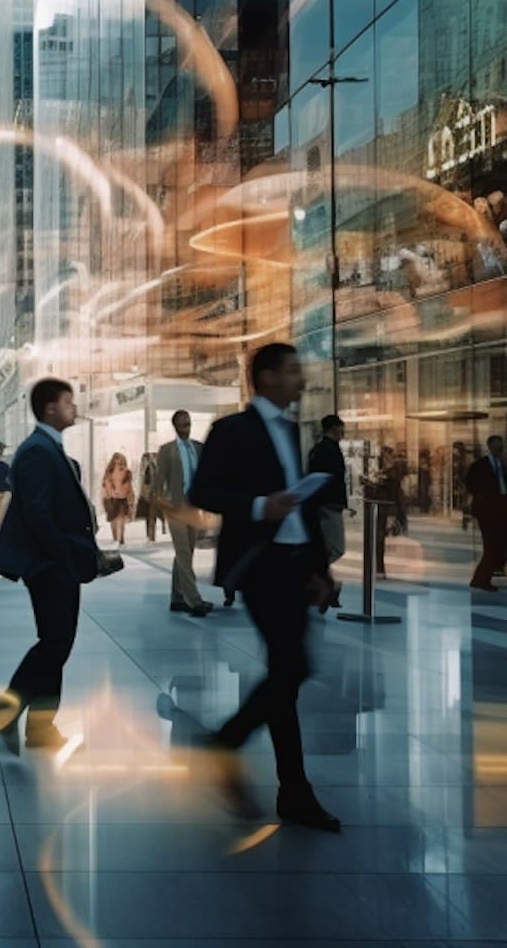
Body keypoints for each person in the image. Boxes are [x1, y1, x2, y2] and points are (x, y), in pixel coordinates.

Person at [187, 342, 341, 832]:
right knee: (293, 666)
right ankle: (225, 743)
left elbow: (303, 507)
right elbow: (204, 492)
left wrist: (320, 570)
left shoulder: (292, 431)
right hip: (260, 565)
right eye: (293, 371)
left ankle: (293, 791)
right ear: (269, 377)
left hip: (295, 565)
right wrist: (258, 505)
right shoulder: (231, 429)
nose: (301, 379)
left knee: (285, 679)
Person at [0, 378, 97, 753]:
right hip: (48, 565)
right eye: (67, 402)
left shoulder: (50, 448)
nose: (73, 408)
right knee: (54, 643)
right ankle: (3, 715)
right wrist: (65, 555)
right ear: (50, 409)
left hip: (58, 562)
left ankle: (39, 728)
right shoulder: (36, 451)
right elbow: (37, 513)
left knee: (56, 645)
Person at [156, 411, 211, 617]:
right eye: (181, 425)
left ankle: (177, 597)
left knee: (186, 552)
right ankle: (194, 601)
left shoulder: (198, 448)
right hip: (176, 509)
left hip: (195, 507)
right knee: (184, 553)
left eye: (187, 424)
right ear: (174, 427)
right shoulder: (167, 451)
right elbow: (158, 483)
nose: (185, 429)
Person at [308, 414, 349, 571]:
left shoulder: (321, 449)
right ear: (333, 429)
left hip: (326, 503)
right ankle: (313, 572)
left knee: (330, 545)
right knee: (336, 547)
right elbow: (329, 478)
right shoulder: (328, 449)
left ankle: (316, 573)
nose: (343, 433)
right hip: (328, 504)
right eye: (341, 429)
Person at [468, 435, 507, 592]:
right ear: (490, 447)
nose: (499, 450)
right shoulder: (480, 466)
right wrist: (481, 497)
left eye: (501, 447)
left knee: (498, 545)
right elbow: (470, 483)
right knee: (492, 545)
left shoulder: (502, 465)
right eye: (497, 447)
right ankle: (481, 579)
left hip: (501, 509)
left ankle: (482, 577)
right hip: (488, 511)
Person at [100, 452, 134, 546]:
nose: (120, 462)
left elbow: (129, 486)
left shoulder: (127, 472)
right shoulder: (109, 472)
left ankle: (121, 539)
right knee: (113, 520)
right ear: (114, 461)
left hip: (123, 499)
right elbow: (104, 485)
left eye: (122, 461)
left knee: (121, 520)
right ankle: (115, 539)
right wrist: (106, 496)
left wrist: (130, 498)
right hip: (111, 499)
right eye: (118, 460)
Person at [138, 451, 166, 541]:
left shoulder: (151, 467)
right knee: (151, 516)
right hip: (152, 495)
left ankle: (152, 536)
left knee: (151, 516)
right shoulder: (149, 467)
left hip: (154, 495)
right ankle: (151, 536)